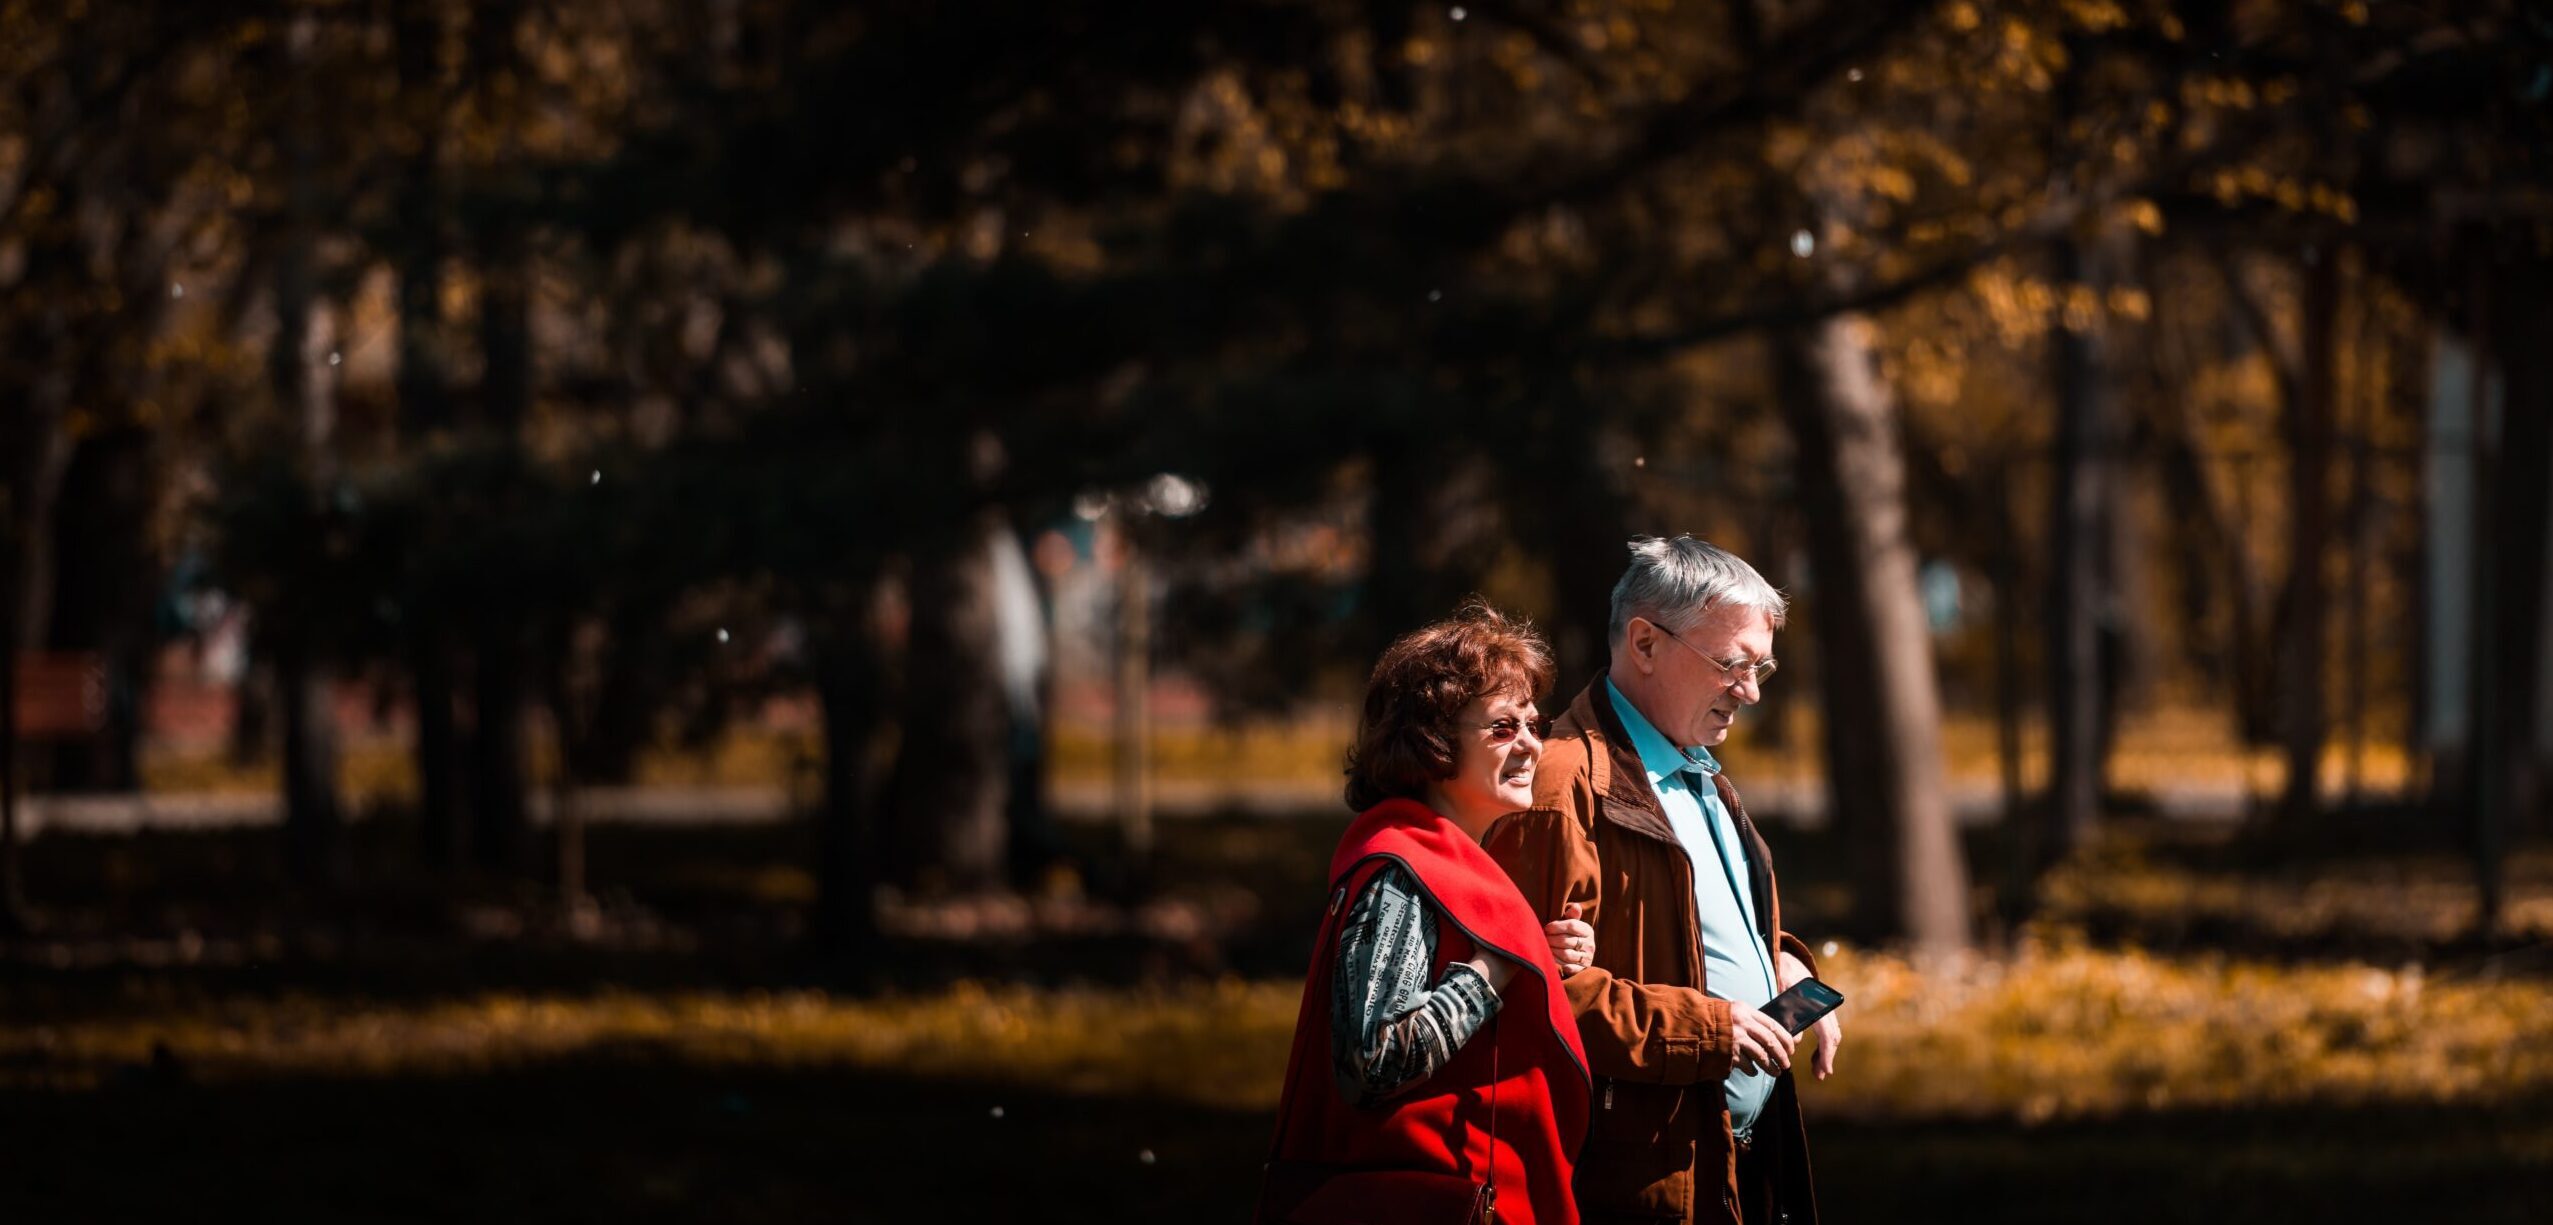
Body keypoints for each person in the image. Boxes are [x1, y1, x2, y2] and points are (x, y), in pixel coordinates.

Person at [1485, 537, 1838, 1225]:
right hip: (1636, 1187)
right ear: (1645, 643)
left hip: (1726, 1164)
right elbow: (1531, 997)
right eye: (1732, 664)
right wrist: (1712, 1029)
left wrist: (1782, 962)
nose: (1751, 691)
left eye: (1761, 667)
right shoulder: (1560, 786)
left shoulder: (1695, 765)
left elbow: (1686, 928)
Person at [1259, 603, 1597, 1225]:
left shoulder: (1447, 860)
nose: (1531, 744)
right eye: (1503, 727)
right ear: (1432, 741)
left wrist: (1536, 955)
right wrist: (1497, 966)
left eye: (1535, 724)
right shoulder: (1401, 871)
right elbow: (1372, 1060)